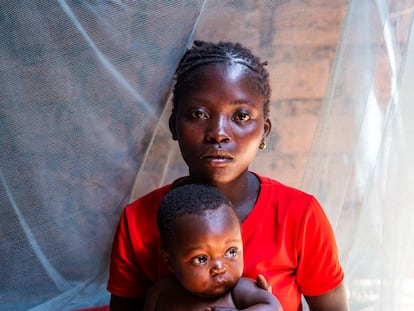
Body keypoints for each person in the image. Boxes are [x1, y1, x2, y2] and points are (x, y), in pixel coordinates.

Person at [107, 40, 349, 311]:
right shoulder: (138, 220)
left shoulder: (300, 216)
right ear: (174, 125)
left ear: (264, 132)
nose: (218, 133)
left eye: (241, 116)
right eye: (199, 114)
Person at [142, 183, 281, 311]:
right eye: (201, 259)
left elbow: (273, 308)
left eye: (231, 252)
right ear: (168, 260)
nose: (219, 268)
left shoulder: (239, 290)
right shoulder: (160, 294)